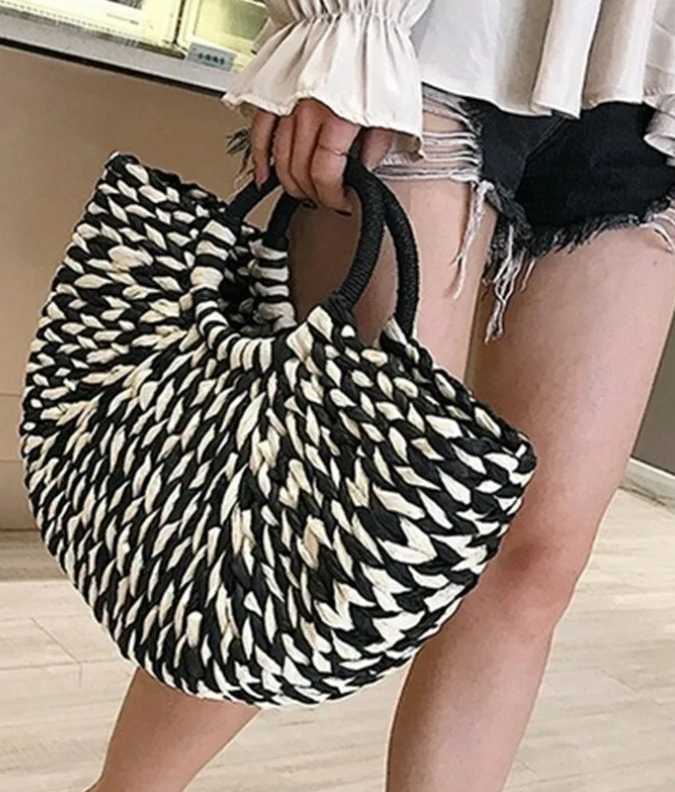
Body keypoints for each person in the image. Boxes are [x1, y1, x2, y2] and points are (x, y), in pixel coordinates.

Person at [86, 2, 675, 791]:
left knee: (533, 559)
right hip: (445, 39)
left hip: (644, 81)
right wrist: (346, 23)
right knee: (324, 505)